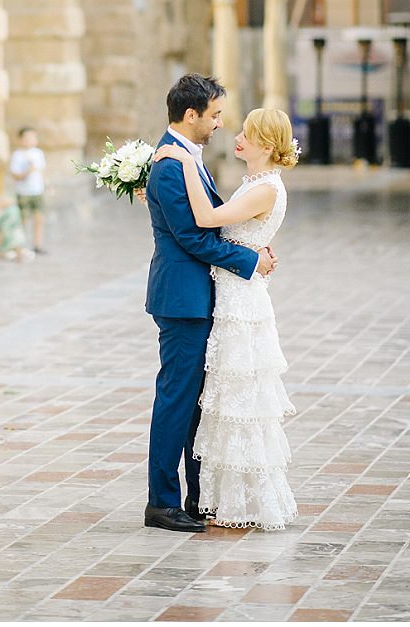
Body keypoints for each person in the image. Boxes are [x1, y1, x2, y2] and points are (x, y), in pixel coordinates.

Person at [141, 74, 276, 533]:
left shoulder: (184, 158)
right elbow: (193, 238)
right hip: (181, 299)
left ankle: (197, 497)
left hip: (200, 297)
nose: (220, 123)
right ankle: (161, 502)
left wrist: (252, 249)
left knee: (199, 403)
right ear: (191, 114)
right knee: (177, 400)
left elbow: (211, 224)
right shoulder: (169, 164)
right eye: (215, 115)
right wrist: (249, 260)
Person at [8, 127, 48, 253]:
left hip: (38, 191)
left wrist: (47, 185)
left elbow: (42, 172)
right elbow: (15, 175)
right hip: (24, 192)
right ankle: (22, 244)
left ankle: (37, 245)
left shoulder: (39, 153)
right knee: (23, 219)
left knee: (39, 218)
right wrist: (27, 172)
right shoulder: (17, 155)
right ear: (20, 140)